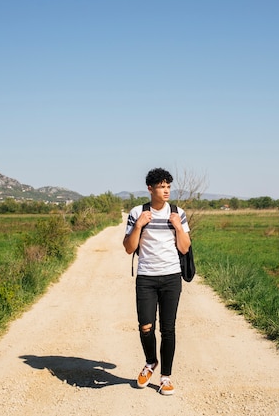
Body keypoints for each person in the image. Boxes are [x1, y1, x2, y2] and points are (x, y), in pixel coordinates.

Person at [123, 168, 191, 396]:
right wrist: (139, 225)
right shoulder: (137, 212)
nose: (166, 191)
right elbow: (129, 248)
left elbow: (184, 247)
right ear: (150, 189)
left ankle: (166, 377)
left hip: (171, 277)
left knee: (168, 328)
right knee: (145, 326)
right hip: (146, 278)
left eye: (168, 187)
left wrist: (179, 227)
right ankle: (151, 362)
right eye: (162, 187)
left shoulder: (177, 212)